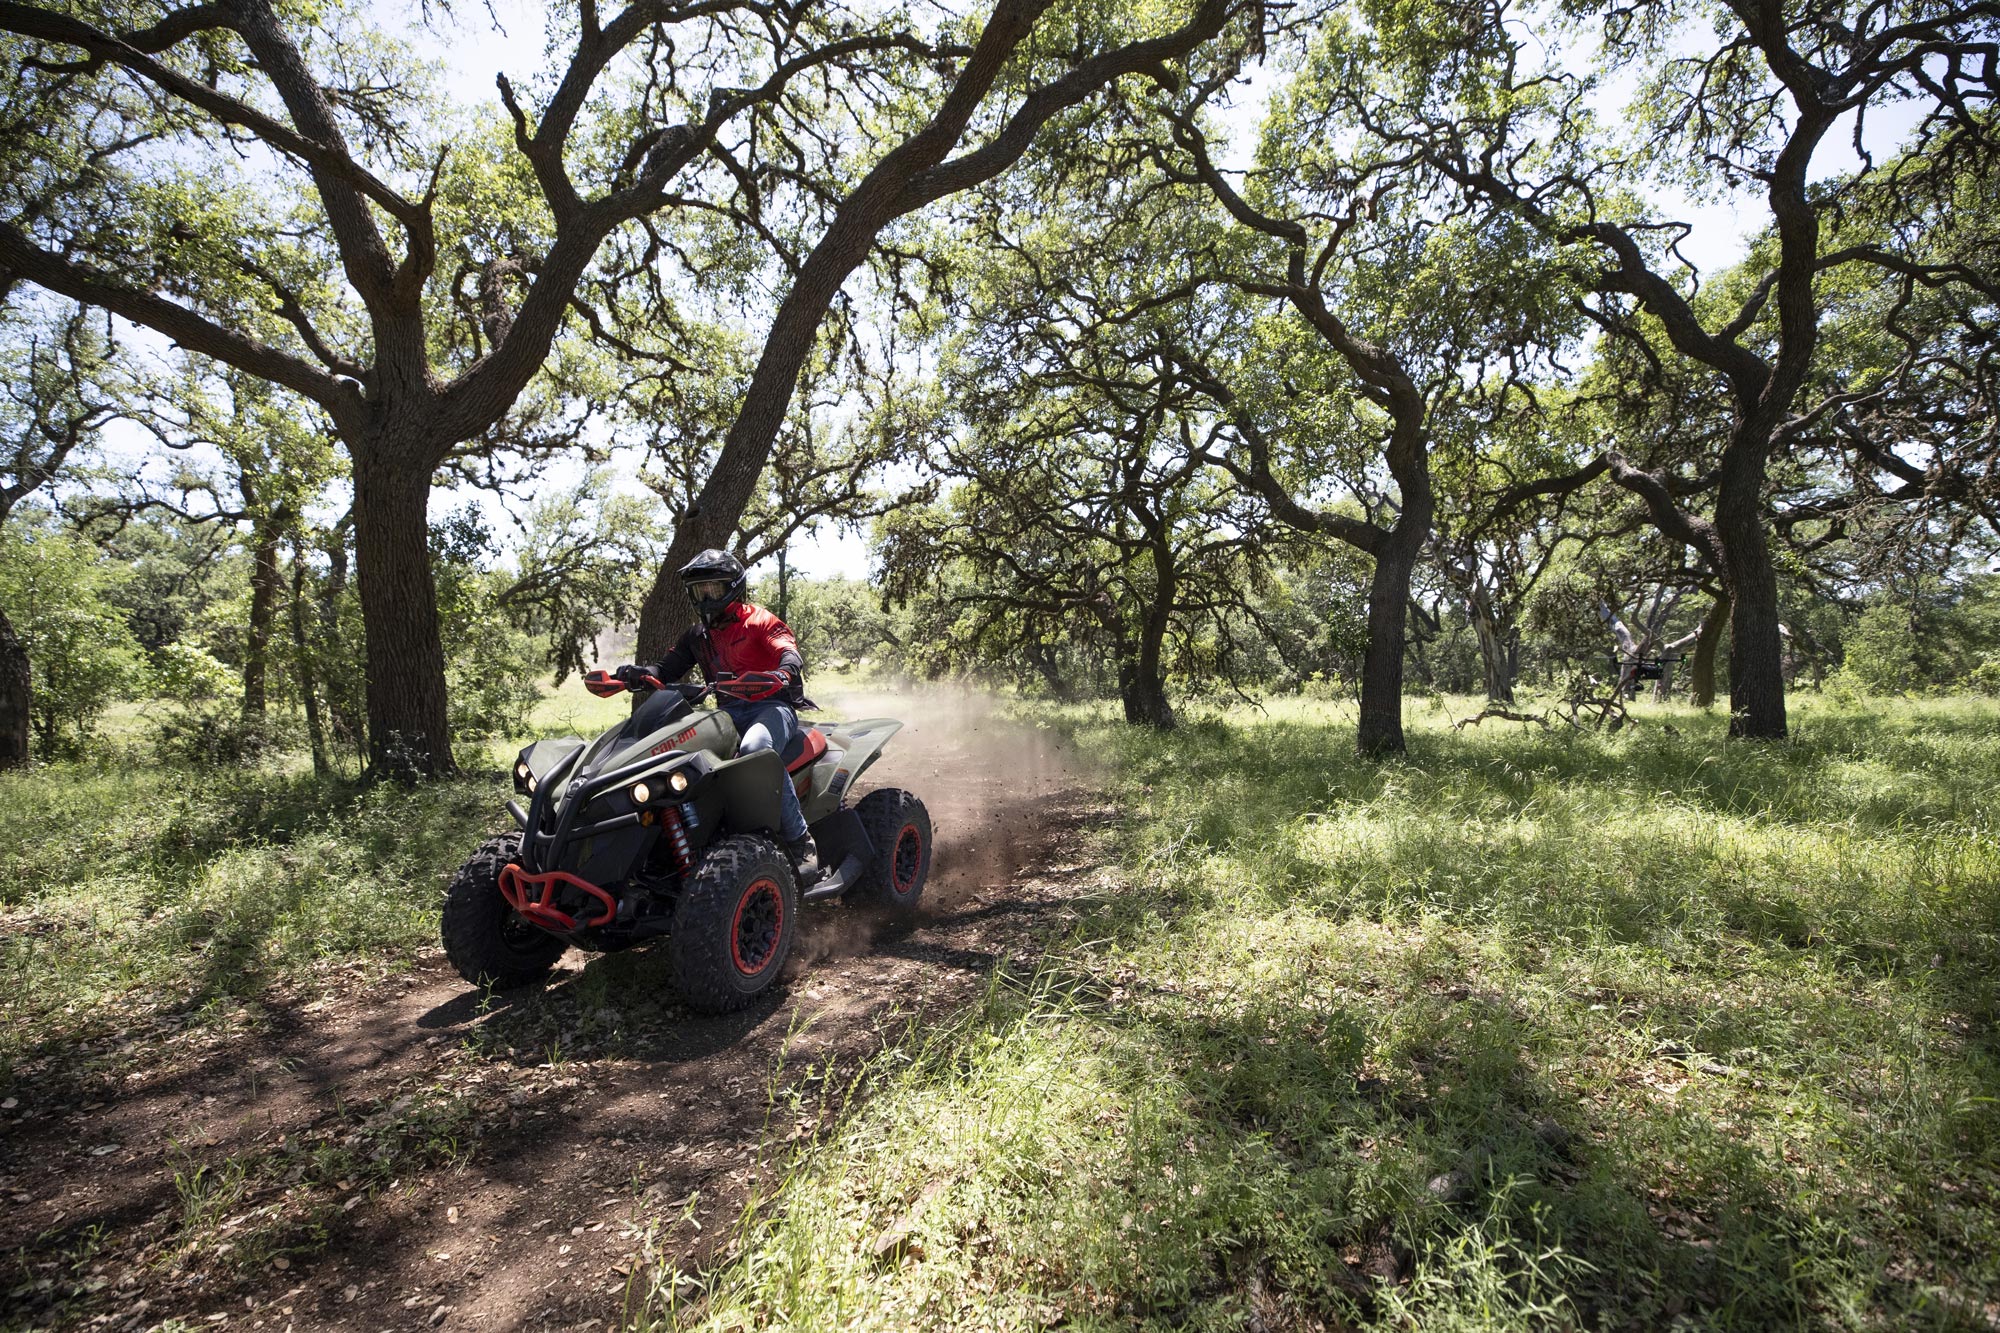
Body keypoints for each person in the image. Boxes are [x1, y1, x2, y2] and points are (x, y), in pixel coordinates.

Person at [588, 549, 818, 878]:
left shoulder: (760, 621)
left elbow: (787, 650)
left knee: (755, 750)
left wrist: (783, 672)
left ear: (734, 587)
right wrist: (636, 674)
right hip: (724, 714)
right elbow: (667, 669)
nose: (707, 597)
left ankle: (800, 840)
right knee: (677, 760)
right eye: (700, 590)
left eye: (714, 588)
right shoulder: (699, 636)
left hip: (771, 707)